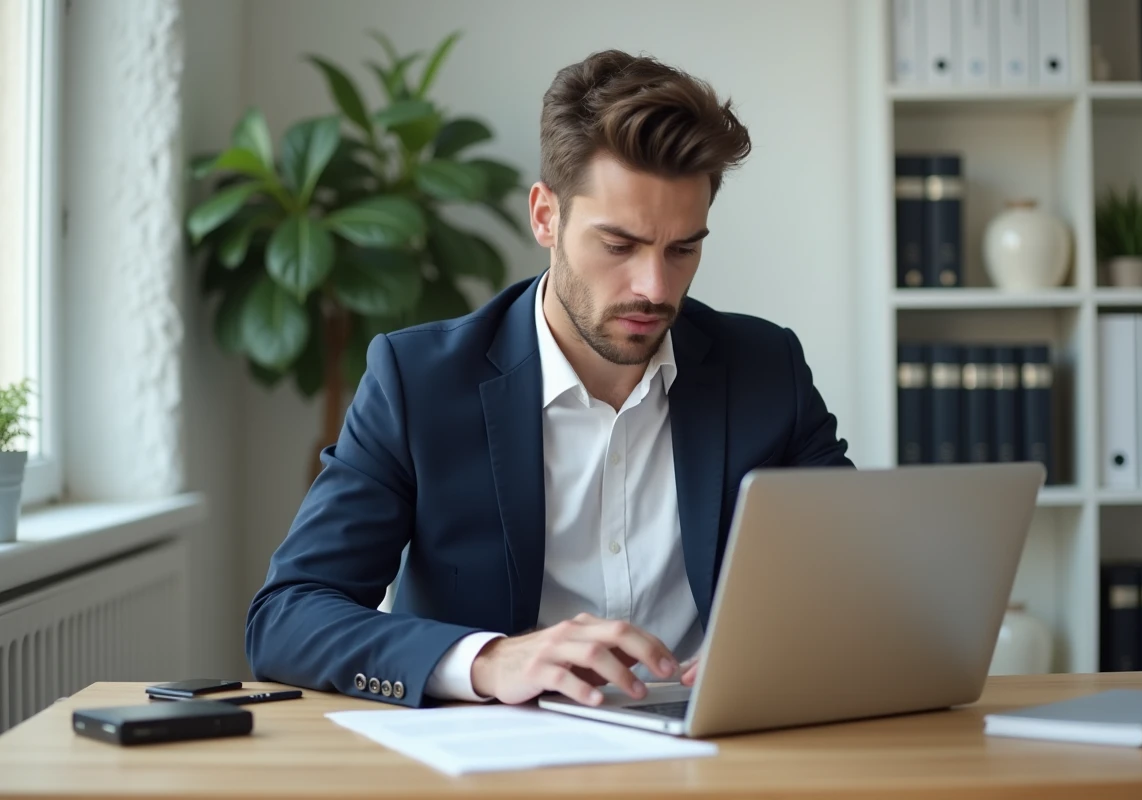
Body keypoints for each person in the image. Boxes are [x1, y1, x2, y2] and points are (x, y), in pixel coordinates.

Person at [246, 48, 853, 710]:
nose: (655, 288)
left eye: (683, 249)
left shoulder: (767, 368)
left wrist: (785, 645)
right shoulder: (417, 382)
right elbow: (288, 616)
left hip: (716, 743)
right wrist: (487, 661)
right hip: (495, 748)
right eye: (618, 245)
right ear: (545, 217)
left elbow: (861, 576)